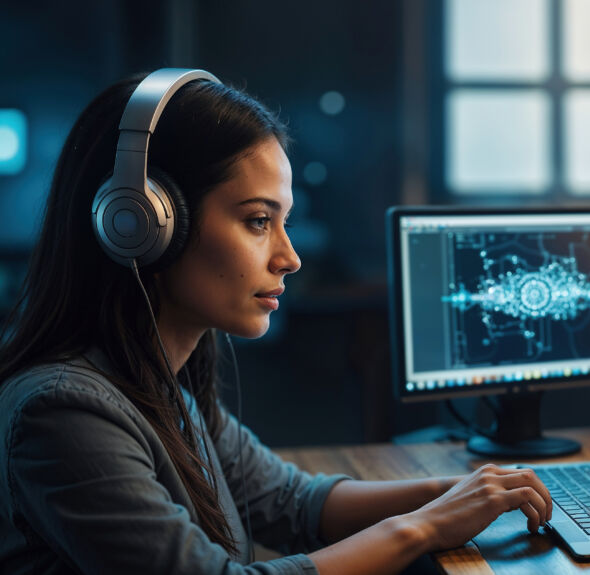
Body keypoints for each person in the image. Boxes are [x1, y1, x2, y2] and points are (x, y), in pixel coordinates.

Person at [0, 70, 552, 575]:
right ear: (142, 222)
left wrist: (463, 491)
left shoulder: (163, 385)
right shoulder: (62, 412)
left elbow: (292, 501)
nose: (290, 257)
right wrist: (426, 525)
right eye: (259, 220)